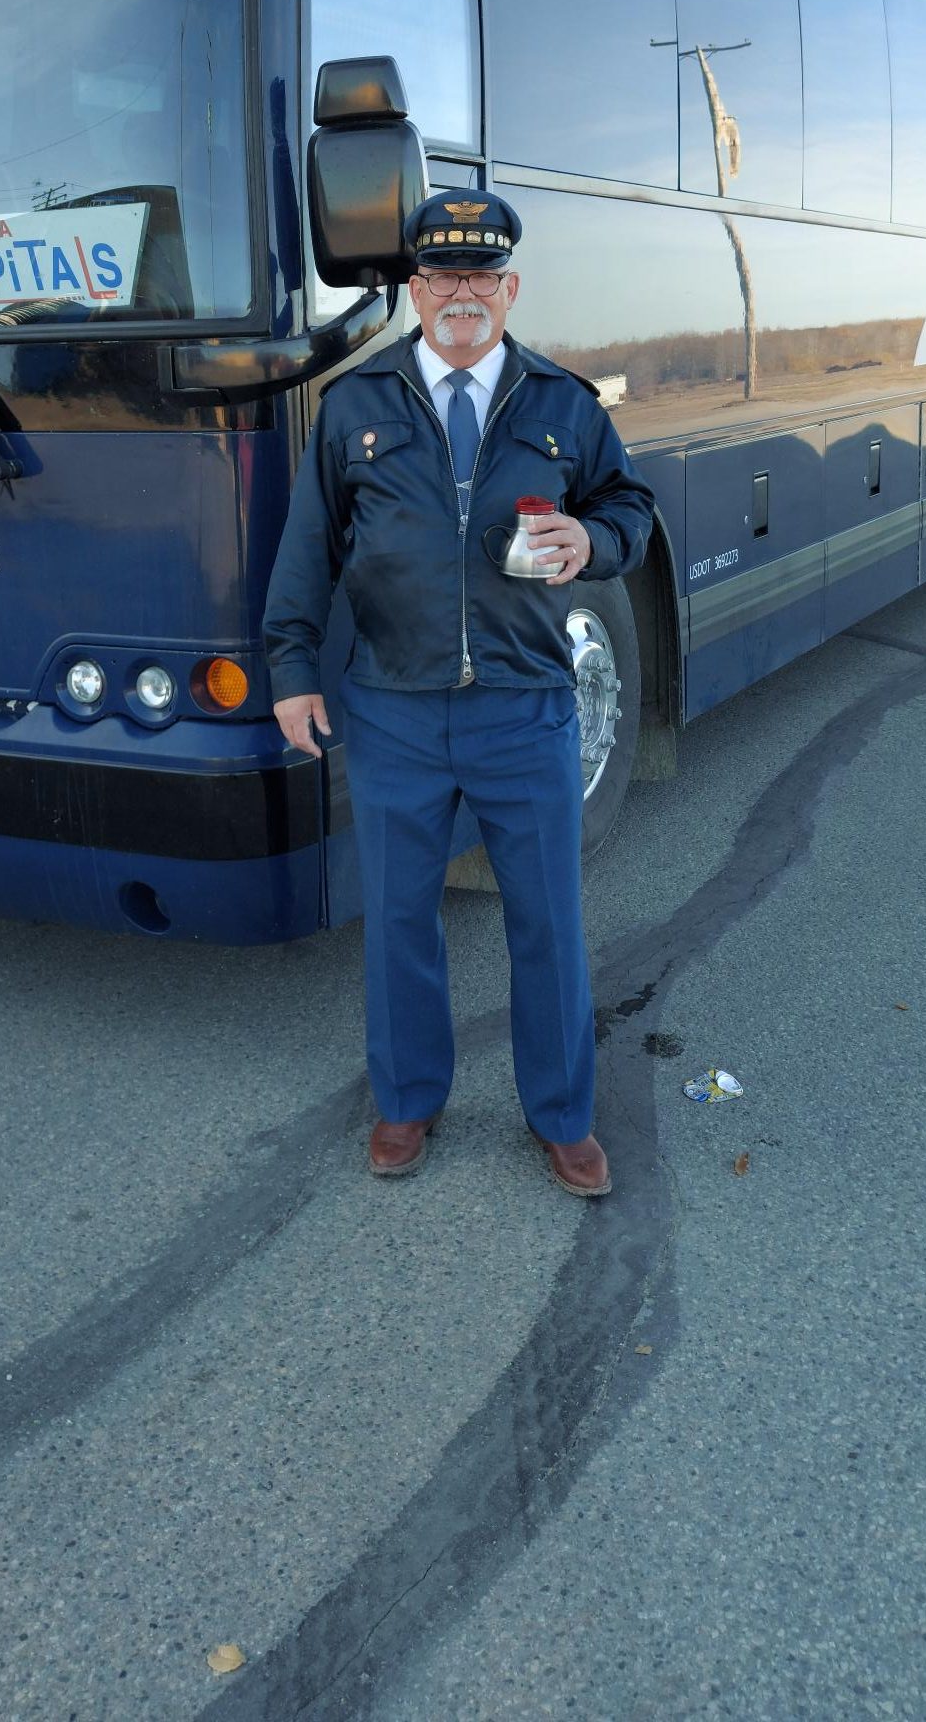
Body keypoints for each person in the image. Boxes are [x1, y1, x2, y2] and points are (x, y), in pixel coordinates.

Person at [263, 190, 655, 1196]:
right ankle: (407, 1101)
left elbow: (630, 508)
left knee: (547, 923)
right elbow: (308, 549)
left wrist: (592, 538)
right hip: (394, 708)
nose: (461, 293)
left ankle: (563, 1116)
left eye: (481, 274)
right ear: (415, 290)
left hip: (525, 705)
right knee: (400, 918)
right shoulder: (356, 405)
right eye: (442, 275)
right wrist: (291, 672)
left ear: (510, 288)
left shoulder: (563, 404)